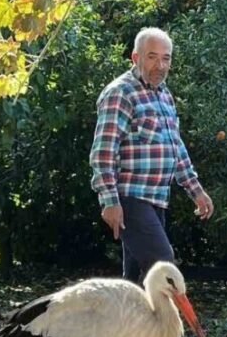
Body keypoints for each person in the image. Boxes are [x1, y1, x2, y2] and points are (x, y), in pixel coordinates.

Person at [89, 27, 214, 284]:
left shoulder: (164, 95)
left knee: (134, 282)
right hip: (130, 199)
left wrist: (196, 190)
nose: (160, 65)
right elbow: (103, 152)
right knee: (164, 269)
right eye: (152, 57)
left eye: (166, 58)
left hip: (157, 200)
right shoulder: (121, 93)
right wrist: (109, 201)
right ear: (136, 58)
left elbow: (175, 147)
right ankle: (174, 324)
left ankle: (127, 326)